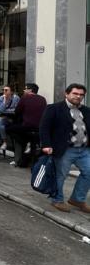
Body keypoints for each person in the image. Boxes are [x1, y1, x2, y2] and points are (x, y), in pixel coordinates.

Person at [39, 83, 90, 213]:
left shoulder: (86, 110)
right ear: (66, 94)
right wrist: (46, 145)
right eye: (75, 93)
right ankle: (57, 200)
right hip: (64, 149)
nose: (78, 96)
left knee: (88, 173)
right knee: (60, 175)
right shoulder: (54, 108)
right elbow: (44, 128)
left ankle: (77, 199)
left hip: (84, 150)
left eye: (81, 95)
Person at [8, 83, 47, 167]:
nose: (24, 90)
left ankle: (25, 142)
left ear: (30, 90)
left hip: (27, 126)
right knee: (26, 133)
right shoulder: (43, 99)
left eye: (25, 89)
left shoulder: (25, 98)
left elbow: (17, 111)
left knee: (8, 128)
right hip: (39, 128)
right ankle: (28, 143)